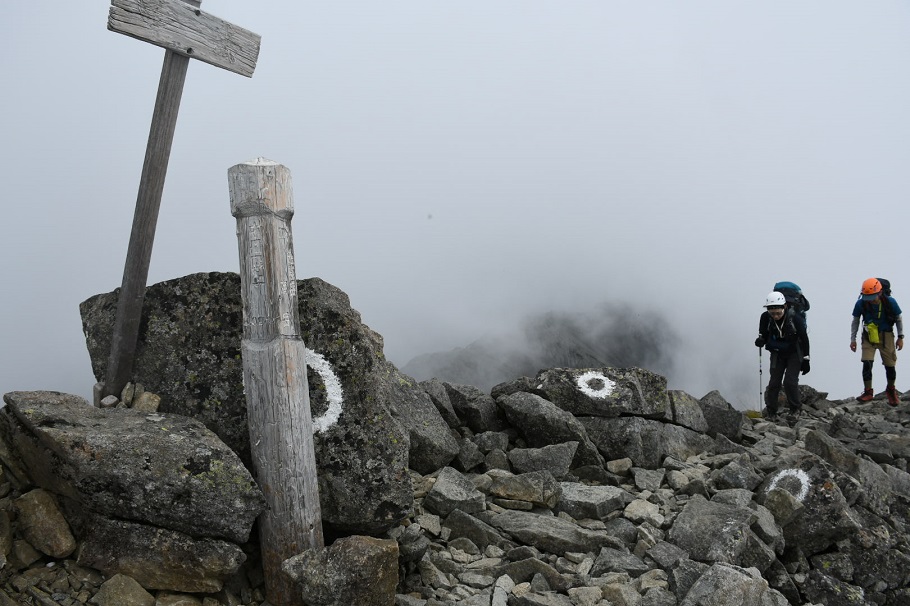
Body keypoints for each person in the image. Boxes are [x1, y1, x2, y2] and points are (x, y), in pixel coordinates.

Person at [755, 291, 810, 422]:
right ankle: (771, 412)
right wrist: (760, 341)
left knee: (790, 381)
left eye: (778, 313)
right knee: (774, 383)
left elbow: (804, 338)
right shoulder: (765, 318)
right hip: (777, 353)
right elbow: (763, 334)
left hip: (794, 353)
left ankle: (795, 409)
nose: (775, 316)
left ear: (784, 307)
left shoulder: (795, 318)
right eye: (772, 313)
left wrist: (806, 359)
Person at [850, 278, 904, 405]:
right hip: (868, 336)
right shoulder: (860, 303)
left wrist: (900, 337)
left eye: (872, 296)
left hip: (886, 336)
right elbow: (855, 321)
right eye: (867, 297)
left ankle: (891, 390)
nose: (870, 300)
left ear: (880, 292)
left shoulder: (890, 302)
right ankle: (868, 392)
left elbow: (898, 319)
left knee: (890, 365)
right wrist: (853, 339)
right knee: (867, 363)